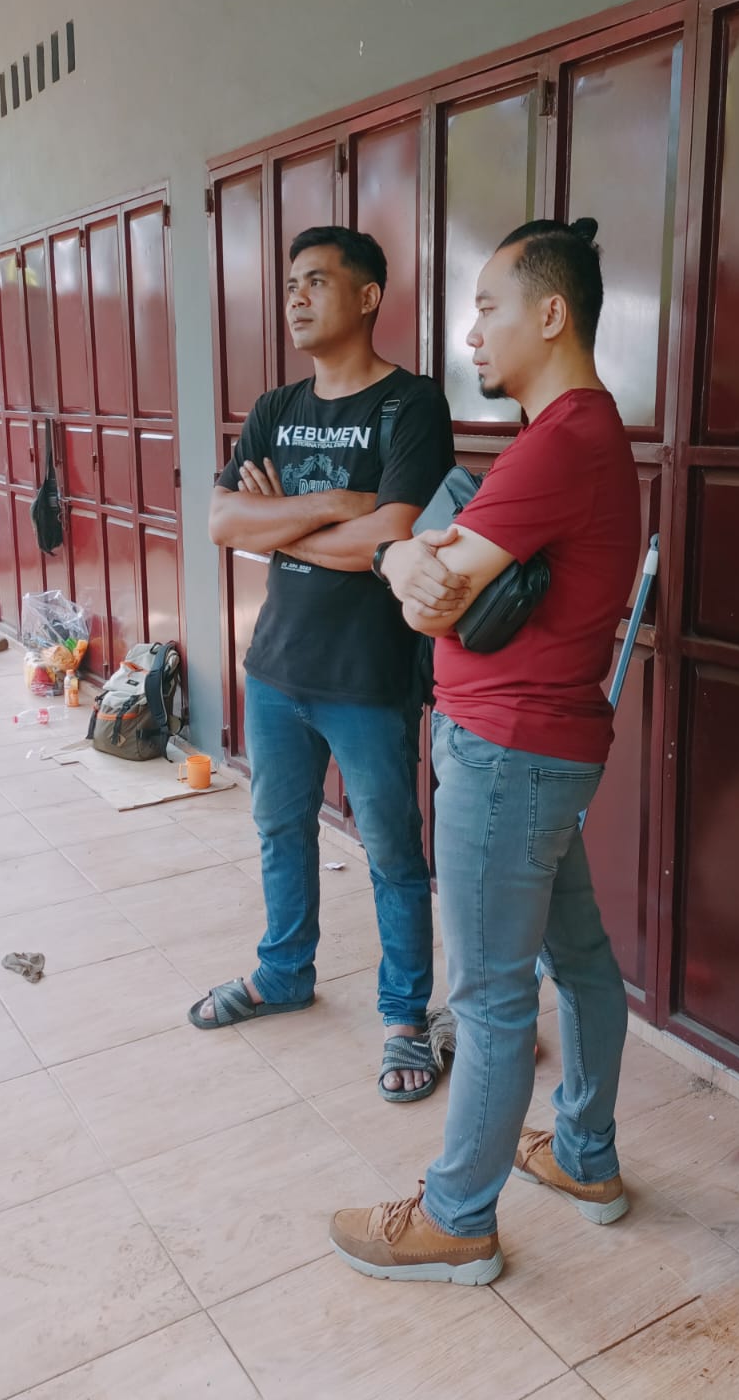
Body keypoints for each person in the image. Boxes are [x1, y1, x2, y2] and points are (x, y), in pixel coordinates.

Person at [329, 216, 641, 1282]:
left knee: (492, 994)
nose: (471, 332)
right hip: (545, 751)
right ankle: (587, 1154)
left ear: (550, 315)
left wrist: (403, 549)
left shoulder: (558, 443)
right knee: (583, 963)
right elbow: (429, 577)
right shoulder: (580, 434)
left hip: (507, 753)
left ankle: (459, 1214)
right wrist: (412, 554)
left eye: (488, 306)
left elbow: (430, 604)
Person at [191, 225, 455, 1102]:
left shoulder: (411, 406)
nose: (296, 298)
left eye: (317, 282)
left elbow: (400, 534)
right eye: (290, 284)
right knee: (278, 830)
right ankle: (283, 972)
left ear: (370, 296)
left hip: (368, 676)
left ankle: (404, 1015)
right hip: (275, 667)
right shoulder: (274, 408)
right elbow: (225, 524)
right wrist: (342, 503)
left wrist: (300, 519)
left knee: (390, 850)